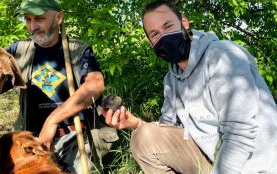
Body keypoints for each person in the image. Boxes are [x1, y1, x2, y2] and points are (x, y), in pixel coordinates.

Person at [100, 1, 277, 174]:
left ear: (184, 22)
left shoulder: (222, 56)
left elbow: (240, 132)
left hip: (255, 164)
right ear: (150, 43)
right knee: (142, 137)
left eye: (168, 26)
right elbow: (167, 131)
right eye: (155, 34)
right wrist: (136, 124)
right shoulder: (171, 79)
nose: (164, 37)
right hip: (210, 159)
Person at [6, 0, 118, 173]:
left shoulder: (78, 50)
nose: (32, 26)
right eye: (28, 19)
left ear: (58, 18)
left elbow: (95, 85)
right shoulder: (18, 51)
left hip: (75, 137)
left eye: (39, 19)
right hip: (33, 139)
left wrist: (52, 120)